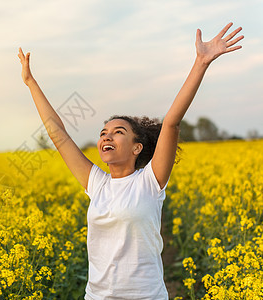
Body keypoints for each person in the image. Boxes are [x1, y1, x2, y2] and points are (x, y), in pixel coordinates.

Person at [18, 23, 243, 299]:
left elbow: (171, 123)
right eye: (103, 133)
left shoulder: (150, 181)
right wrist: (31, 82)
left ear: (137, 147)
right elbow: (57, 134)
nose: (106, 136)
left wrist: (201, 63)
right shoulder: (97, 184)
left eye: (118, 132)